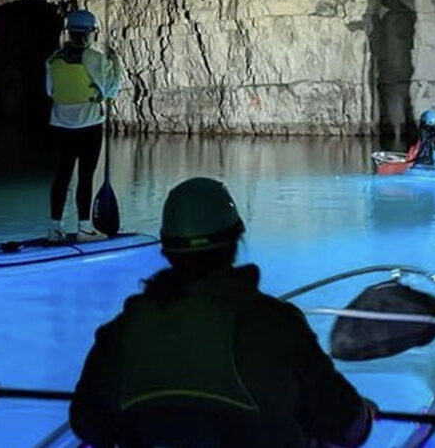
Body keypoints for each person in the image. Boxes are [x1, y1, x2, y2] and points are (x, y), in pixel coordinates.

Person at [69, 177, 376, 448]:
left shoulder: (121, 331)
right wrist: (363, 413)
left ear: (167, 248)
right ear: (235, 241)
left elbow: (88, 426)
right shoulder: (277, 324)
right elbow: (348, 429)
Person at [46, 9, 124, 241]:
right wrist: (115, 64)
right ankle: (83, 228)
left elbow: (49, 91)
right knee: (85, 176)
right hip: (89, 125)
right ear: (91, 33)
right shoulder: (95, 59)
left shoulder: (53, 59)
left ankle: (54, 228)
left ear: (69, 32)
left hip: (60, 125)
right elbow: (111, 90)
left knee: (61, 176)